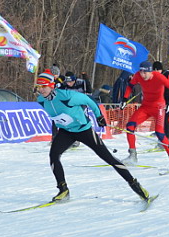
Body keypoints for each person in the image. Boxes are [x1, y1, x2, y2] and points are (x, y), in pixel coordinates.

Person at [35, 71, 151, 202]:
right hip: (66, 132)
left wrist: (99, 116)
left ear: (52, 86)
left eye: (44, 86)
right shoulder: (41, 100)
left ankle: (136, 186)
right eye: (39, 87)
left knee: (108, 158)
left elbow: (89, 100)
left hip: (83, 130)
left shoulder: (68, 96)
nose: (41, 90)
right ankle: (63, 190)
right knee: (54, 155)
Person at [122, 61, 169, 169]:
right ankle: (132, 155)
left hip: (158, 107)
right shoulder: (138, 75)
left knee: (159, 133)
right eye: (141, 72)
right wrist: (125, 98)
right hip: (145, 107)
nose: (143, 75)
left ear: (150, 71)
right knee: (129, 127)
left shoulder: (159, 77)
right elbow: (130, 85)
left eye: (145, 73)